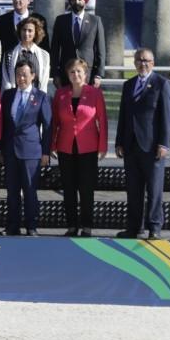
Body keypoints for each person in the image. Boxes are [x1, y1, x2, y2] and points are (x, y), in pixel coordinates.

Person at [116, 48, 170, 240]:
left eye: (147, 60)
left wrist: (164, 144)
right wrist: (119, 142)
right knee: (133, 189)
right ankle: (134, 227)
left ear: (153, 63)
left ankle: (154, 227)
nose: (143, 63)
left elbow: (167, 117)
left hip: (152, 147)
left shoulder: (161, 84)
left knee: (154, 189)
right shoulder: (128, 85)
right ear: (134, 63)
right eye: (140, 60)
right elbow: (123, 115)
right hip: (131, 146)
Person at [50, 57, 107, 237]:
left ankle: (87, 225)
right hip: (66, 147)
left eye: (79, 72)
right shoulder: (61, 94)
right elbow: (54, 122)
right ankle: (72, 225)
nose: (76, 75)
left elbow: (102, 121)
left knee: (86, 188)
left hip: (88, 147)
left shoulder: (95, 93)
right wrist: (52, 144)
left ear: (86, 74)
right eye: (72, 72)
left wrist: (102, 146)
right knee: (68, 188)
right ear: (67, 75)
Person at [0, 57, 52, 236]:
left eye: (24, 75)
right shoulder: (7, 95)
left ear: (33, 76)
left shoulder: (41, 96)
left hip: (31, 151)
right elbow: (3, 124)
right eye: (18, 75)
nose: (21, 78)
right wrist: (0, 149)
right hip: (10, 150)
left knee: (30, 190)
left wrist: (46, 151)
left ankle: (31, 226)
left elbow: (48, 126)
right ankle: (12, 226)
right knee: (12, 191)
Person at [0, 0, 49, 82]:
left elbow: (45, 47)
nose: (17, 0)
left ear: (28, 1)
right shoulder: (2, 20)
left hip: (32, 71)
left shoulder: (39, 20)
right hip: (8, 72)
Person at [50, 0, 105, 88]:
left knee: (85, 103)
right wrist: (55, 74)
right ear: (70, 1)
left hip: (88, 74)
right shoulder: (61, 21)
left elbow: (100, 50)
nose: (77, 2)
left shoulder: (95, 21)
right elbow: (55, 49)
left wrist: (99, 74)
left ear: (85, 1)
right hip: (66, 73)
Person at [3, 15, 50, 92]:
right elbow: (6, 81)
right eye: (24, 30)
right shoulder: (9, 54)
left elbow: (44, 82)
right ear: (20, 31)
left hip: (36, 99)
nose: (26, 33)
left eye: (30, 30)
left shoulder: (44, 55)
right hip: (15, 97)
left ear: (36, 33)